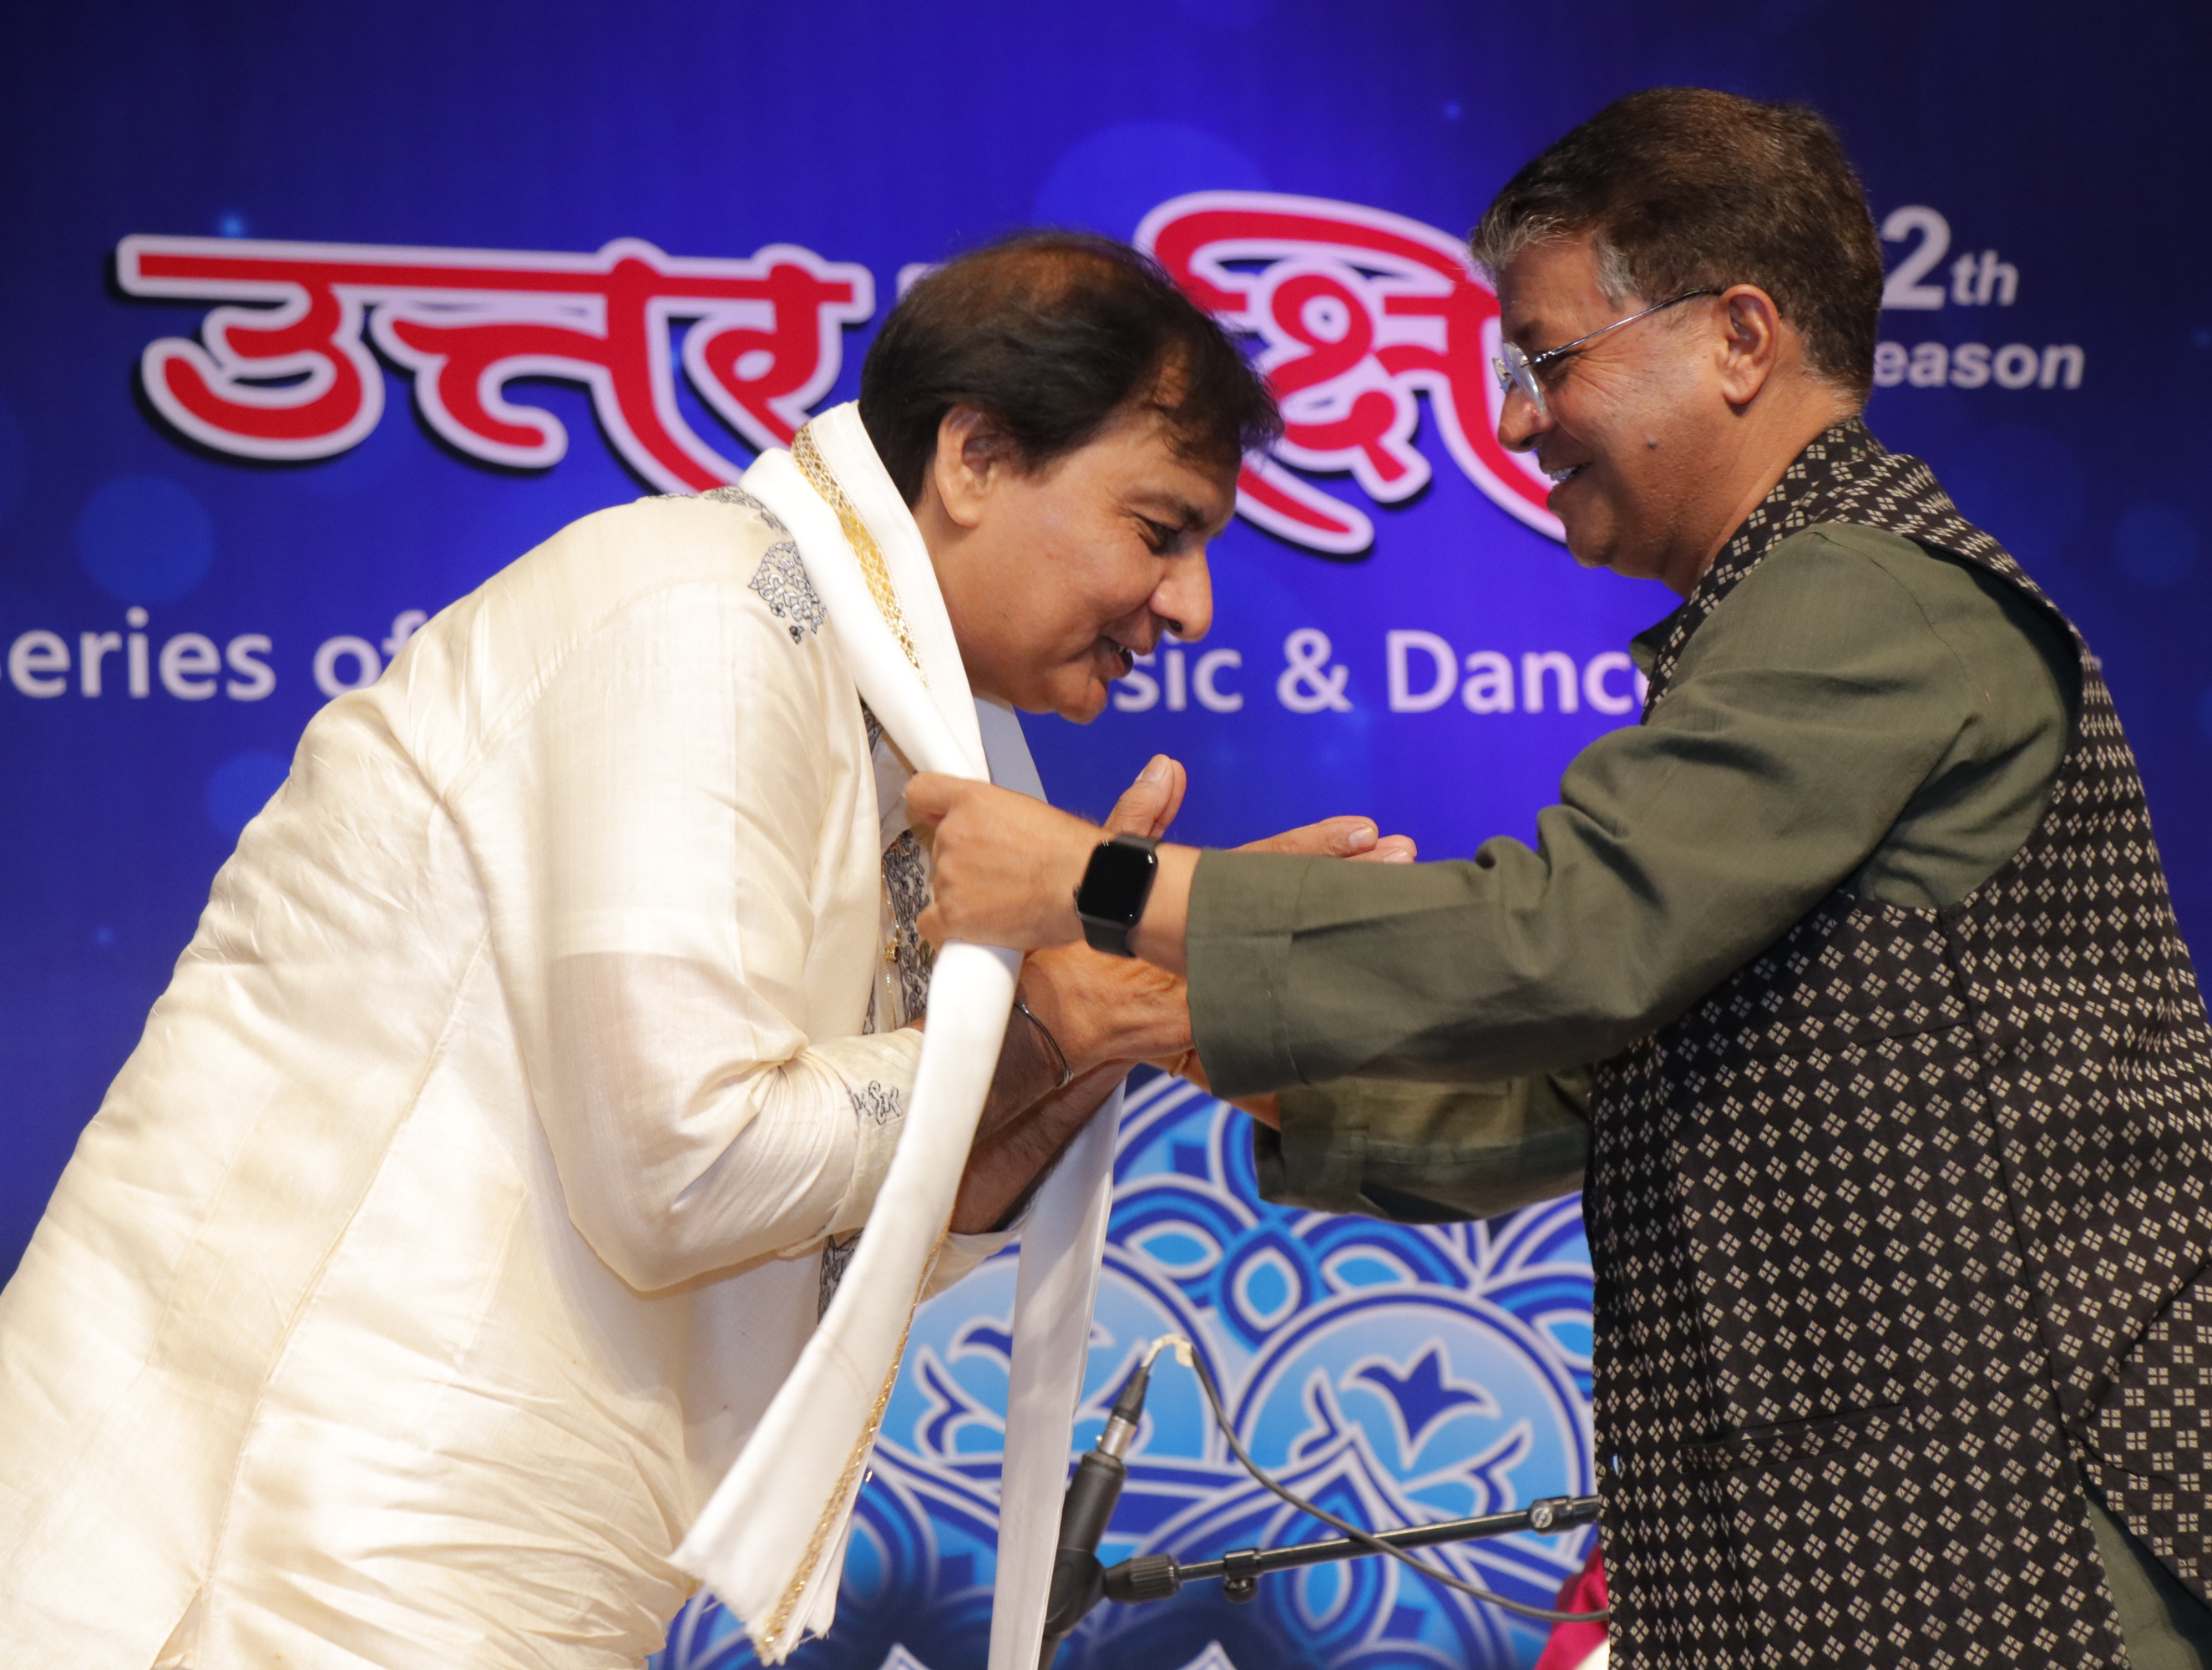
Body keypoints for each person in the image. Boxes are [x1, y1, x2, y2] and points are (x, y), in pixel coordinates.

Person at [910, 94, 2212, 1670]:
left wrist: (1098, 881)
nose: (1518, 420)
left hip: (2065, 1543)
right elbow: (1590, 1088)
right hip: (1904, 1556)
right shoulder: (1784, 619)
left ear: (1739, 337)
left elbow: (1567, 939)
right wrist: (1175, 1018)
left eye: (1546, 358)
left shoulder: (1862, 592)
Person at [0, 231, 1360, 1670]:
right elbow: (688, 1166)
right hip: (278, 1547)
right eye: (1161, 530)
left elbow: (835, 1221)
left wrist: (1097, 1033)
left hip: (477, 1567)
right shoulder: (703, 615)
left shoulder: (901, 727)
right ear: (974, 458)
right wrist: (1044, 1028)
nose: (1192, 605)